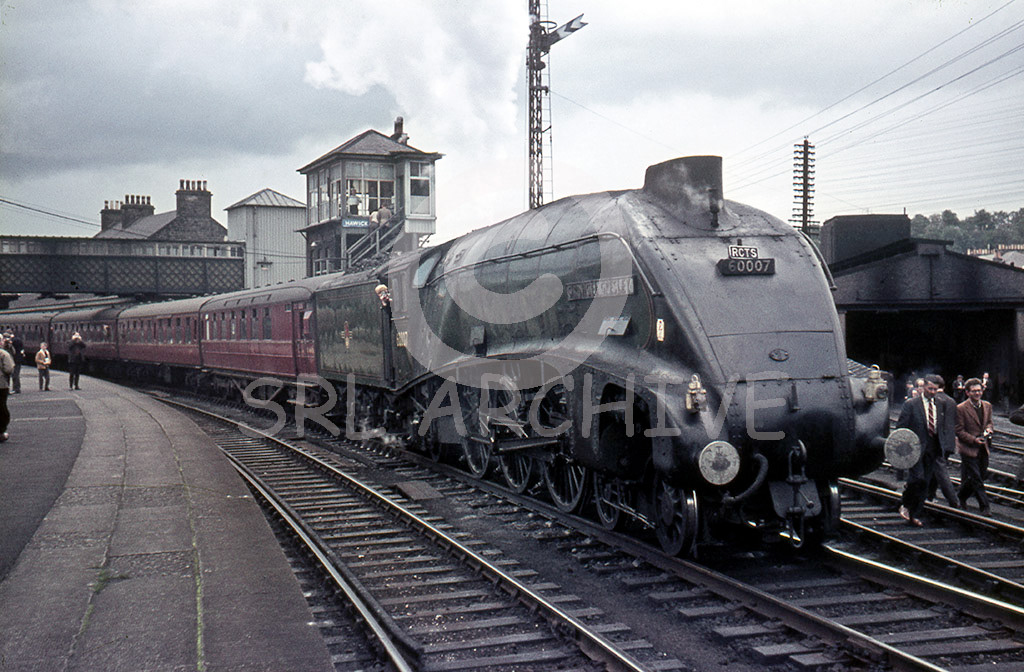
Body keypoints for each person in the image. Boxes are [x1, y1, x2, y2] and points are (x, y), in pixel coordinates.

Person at [896, 374, 952, 526]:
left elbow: (942, 426)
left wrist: (945, 445)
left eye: (935, 389)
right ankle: (906, 504)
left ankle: (915, 514)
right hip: (915, 448)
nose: (933, 392)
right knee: (917, 479)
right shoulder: (911, 404)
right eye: (930, 389)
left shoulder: (940, 404)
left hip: (932, 448)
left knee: (925, 483)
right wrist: (903, 446)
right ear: (923, 388)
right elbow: (901, 426)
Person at [956, 378, 993, 514]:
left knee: (980, 476)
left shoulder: (987, 405)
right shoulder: (961, 408)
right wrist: (973, 440)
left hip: (983, 447)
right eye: (974, 391)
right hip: (968, 448)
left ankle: (961, 496)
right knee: (976, 478)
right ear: (967, 393)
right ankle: (985, 506)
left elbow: (989, 422)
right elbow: (959, 430)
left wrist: (989, 429)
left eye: (979, 390)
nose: (977, 393)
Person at [926, 382, 960, 507]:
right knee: (937, 469)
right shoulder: (951, 401)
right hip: (949, 441)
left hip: (938, 442)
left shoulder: (936, 401)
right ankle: (930, 494)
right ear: (945, 387)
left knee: (940, 470)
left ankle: (953, 500)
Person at [0, 335, 14, 442]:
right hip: (1, 385)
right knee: (2, 408)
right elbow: (9, 369)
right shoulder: (3, 354)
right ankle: (1, 431)